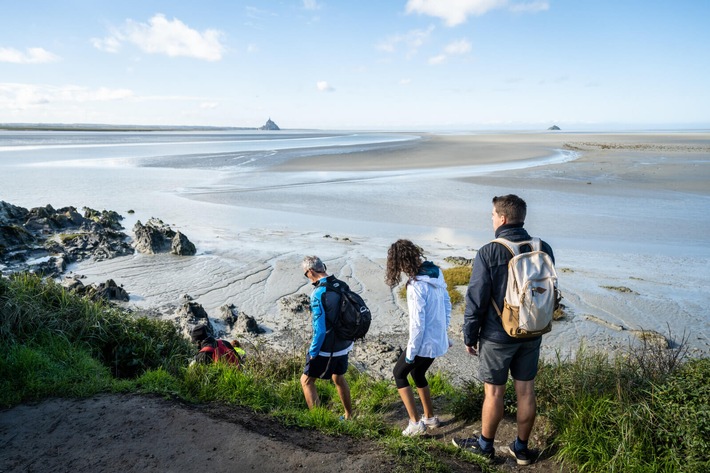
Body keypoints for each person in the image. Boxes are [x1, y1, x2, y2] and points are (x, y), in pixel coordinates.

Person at [453, 194, 555, 465]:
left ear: (503, 218)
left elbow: (476, 298)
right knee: (526, 391)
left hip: (498, 335)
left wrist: (469, 335)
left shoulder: (490, 251)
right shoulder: (542, 247)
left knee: (494, 393)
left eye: (493, 215)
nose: (492, 219)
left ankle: (485, 447)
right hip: (533, 329)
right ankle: (521, 449)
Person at [385, 239, 452, 437]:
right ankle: (429, 417)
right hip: (437, 340)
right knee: (418, 373)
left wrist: (411, 352)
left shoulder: (415, 286)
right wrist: (444, 333)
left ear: (398, 263)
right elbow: (447, 304)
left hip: (424, 343)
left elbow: (417, 323)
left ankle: (415, 423)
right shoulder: (436, 273)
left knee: (399, 373)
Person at [300, 256, 353, 420]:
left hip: (327, 348)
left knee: (306, 381)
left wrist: (313, 351)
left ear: (310, 271)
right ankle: (349, 416)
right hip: (345, 344)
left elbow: (320, 330)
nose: (307, 277)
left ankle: (318, 421)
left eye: (305, 274)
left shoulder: (318, 293)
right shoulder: (342, 285)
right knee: (338, 376)